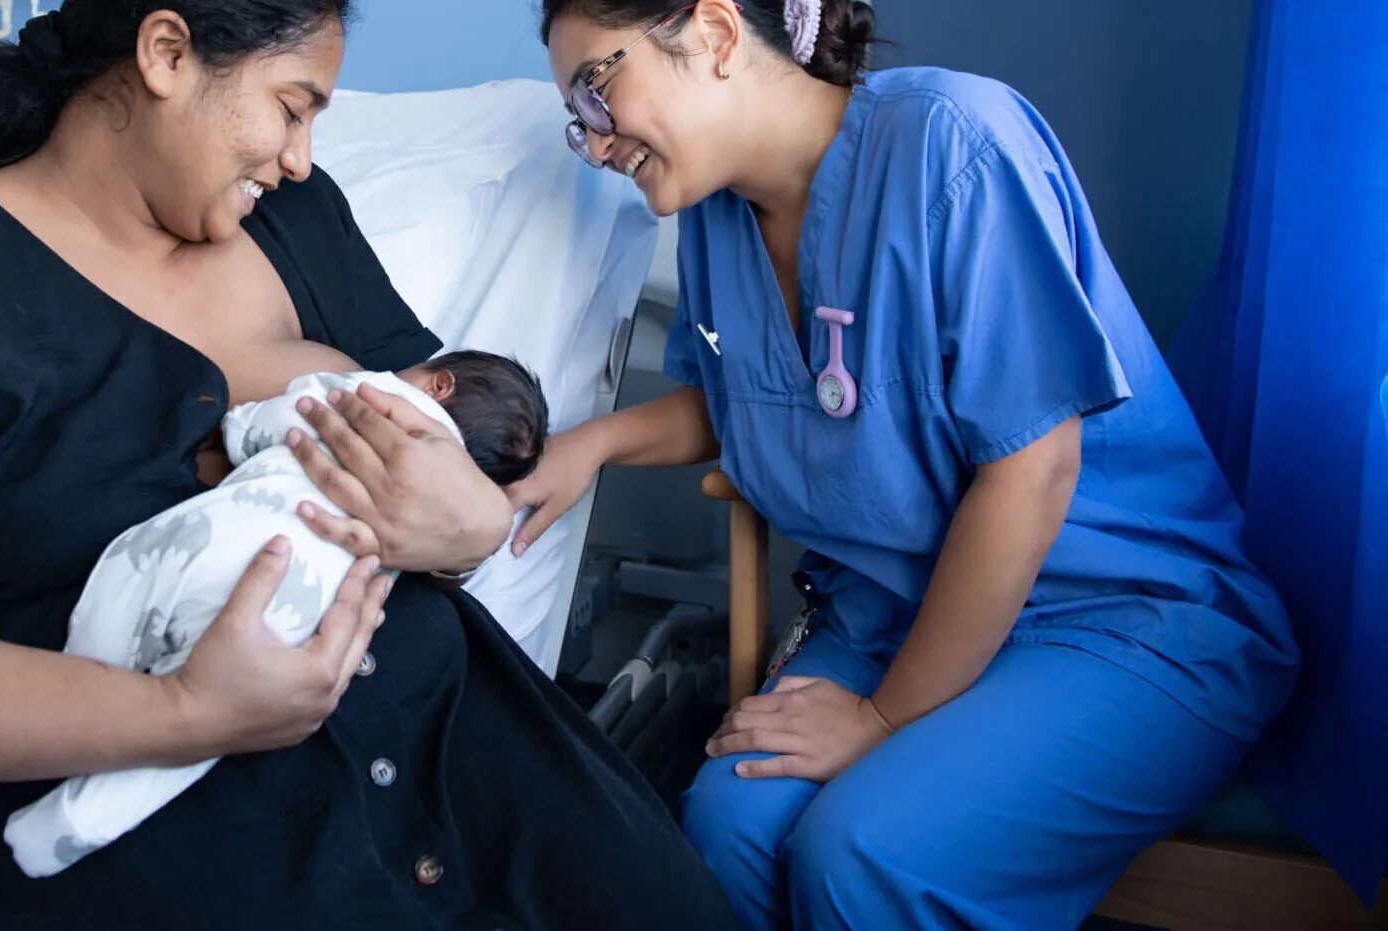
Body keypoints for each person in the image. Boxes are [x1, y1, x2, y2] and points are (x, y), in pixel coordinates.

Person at [0, 1, 743, 928]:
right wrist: (186, 712)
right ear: (167, 52)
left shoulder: (297, 219)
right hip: (172, 808)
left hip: (456, 738)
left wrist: (471, 529)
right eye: (291, 107)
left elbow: (454, 436)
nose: (302, 157)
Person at [518, 1, 1301, 928]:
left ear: (719, 33)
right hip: (892, 606)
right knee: (727, 823)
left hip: (1112, 610)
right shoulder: (715, 215)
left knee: (865, 851)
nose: (598, 145)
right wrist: (589, 444)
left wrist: (880, 721)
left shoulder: (955, 143)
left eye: (597, 92)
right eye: (580, 122)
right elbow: (756, 398)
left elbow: (1034, 472)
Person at [3, 351, 549, 876]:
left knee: (125, 588)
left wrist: (240, 425)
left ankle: (75, 694)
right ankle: (75, 821)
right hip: (296, 608)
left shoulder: (373, 397)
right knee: (205, 729)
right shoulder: (446, 499)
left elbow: (284, 419)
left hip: (221, 537)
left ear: (439, 384)